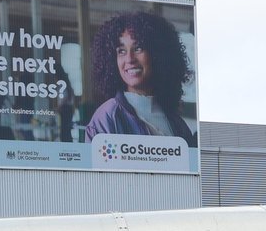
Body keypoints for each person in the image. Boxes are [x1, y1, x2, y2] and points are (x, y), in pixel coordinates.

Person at [83, 10, 194, 144]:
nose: (129, 59)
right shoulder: (106, 119)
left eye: (138, 48)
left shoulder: (177, 124)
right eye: (121, 51)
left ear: (157, 54)